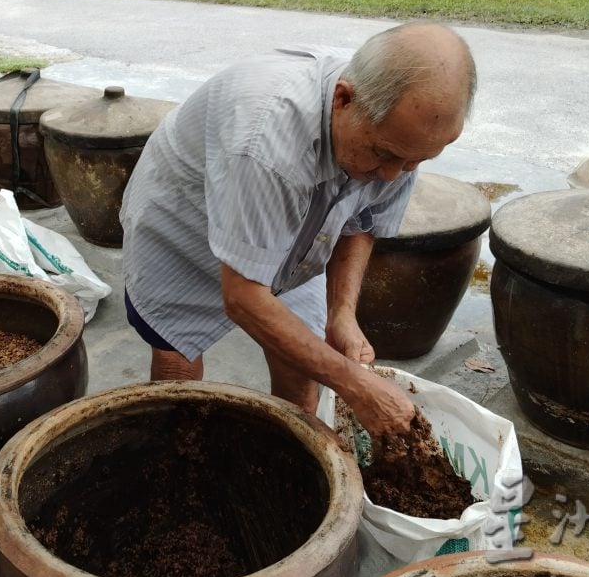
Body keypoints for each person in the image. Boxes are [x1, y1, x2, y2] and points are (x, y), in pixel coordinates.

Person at [119, 23, 477, 440]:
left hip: (294, 221)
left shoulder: (398, 135)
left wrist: (341, 313)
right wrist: (356, 385)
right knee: (178, 364)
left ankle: (289, 456)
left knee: (303, 359)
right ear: (344, 99)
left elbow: (361, 220)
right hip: (185, 216)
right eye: (386, 155)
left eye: (416, 161)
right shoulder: (267, 141)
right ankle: (176, 451)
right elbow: (243, 297)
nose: (393, 175)